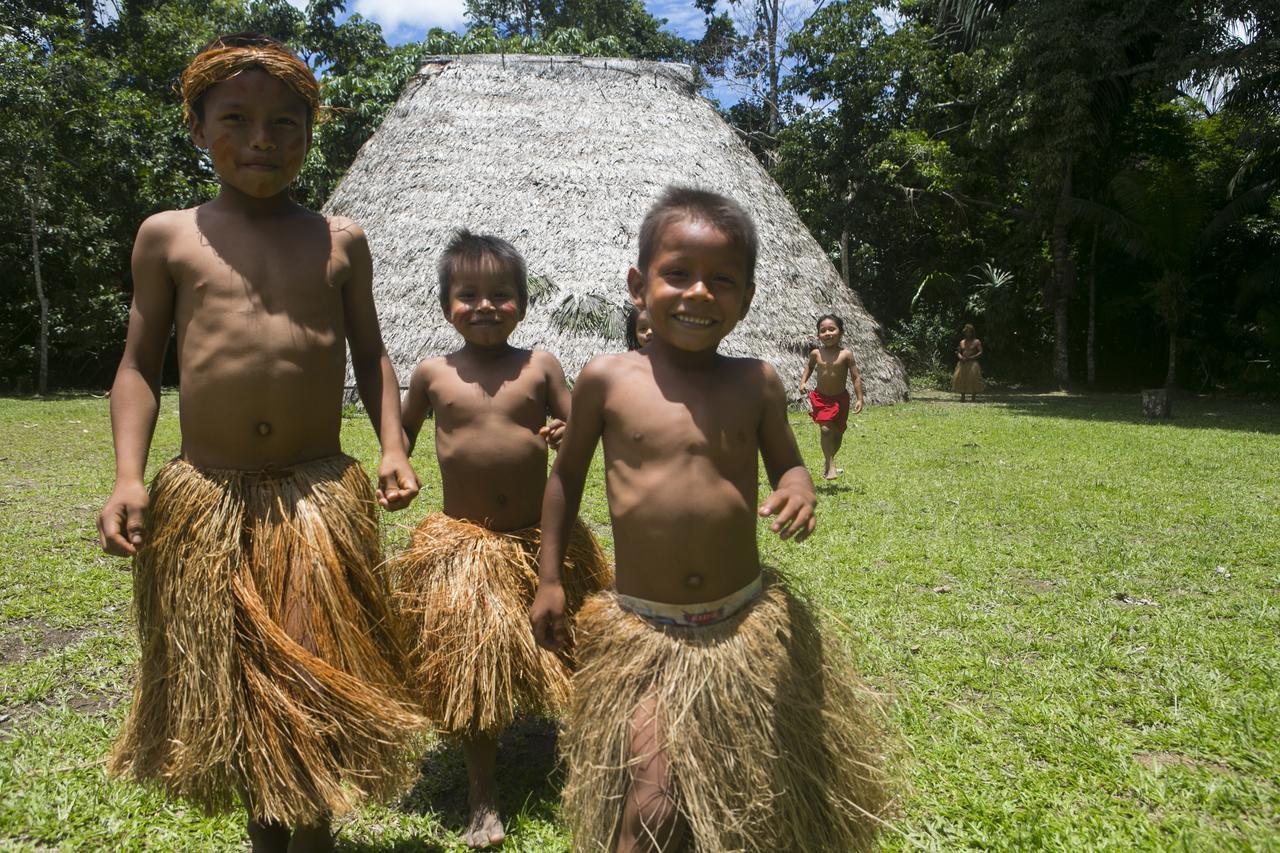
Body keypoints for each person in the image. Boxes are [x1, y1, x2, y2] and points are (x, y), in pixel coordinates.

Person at [96, 34, 422, 853]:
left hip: (315, 494)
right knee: (244, 689)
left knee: (307, 678)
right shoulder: (168, 236)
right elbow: (137, 365)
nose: (262, 141)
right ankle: (267, 839)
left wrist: (392, 444)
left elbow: (372, 353)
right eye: (235, 119)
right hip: (211, 493)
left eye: (286, 123)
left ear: (312, 133)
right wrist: (128, 477)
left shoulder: (340, 240)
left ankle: (309, 840)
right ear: (198, 127)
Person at [531, 186, 889, 852]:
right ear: (640, 286)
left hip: (741, 624)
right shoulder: (607, 379)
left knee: (743, 804)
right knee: (650, 806)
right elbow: (565, 480)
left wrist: (799, 488)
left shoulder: (755, 382)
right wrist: (550, 577)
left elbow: (788, 464)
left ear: (747, 297)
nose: (699, 293)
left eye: (721, 280)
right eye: (678, 274)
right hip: (646, 628)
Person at [395, 230, 612, 849]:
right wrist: (397, 470)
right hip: (463, 549)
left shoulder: (539, 364)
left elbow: (579, 428)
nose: (485, 306)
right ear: (445, 304)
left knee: (571, 653)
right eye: (468, 295)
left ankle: (586, 769)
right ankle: (482, 794)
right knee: (476, 674)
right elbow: (402, 438)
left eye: (501, 294)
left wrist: (565, 430)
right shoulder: (433, 373)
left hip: (541, 543)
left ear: (522, 302)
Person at [798, 313, 864, 480]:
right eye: (823, 330)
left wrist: (859, 398)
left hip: (840, 399)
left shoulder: (846, 354)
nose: (827, 333)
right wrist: (803, 382)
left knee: (838, 434)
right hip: (821, 398)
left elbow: (855, 377)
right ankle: (832, 465)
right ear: (818, 335)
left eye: (832, 329)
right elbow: (809, 367)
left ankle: (828, 462)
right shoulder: (816, 353)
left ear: (841, 332)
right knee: (826, 430)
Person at [953, 323, 985, 401]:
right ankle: (962, 396)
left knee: (973, 379)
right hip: (963, 363)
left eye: (969, 332)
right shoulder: (962, 342)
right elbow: (958, 351)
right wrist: (961, 357)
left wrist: (971, 357)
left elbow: (980, 351)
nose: (968, 334)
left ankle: (973, 397)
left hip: (972, 363)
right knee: (961, 378)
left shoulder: (976, 341)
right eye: (966, 332)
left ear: (972, 332)